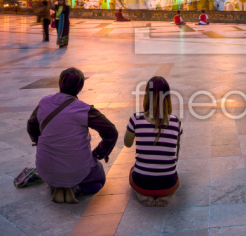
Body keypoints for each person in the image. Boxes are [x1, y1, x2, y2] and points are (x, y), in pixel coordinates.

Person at [26, 67, 118, 204]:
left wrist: (40, 143)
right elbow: (111, 132)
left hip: (45, 169)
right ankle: (75, 188)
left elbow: (31, 125)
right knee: (99, 180)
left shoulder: (44, 102)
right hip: (77, 170)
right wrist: (98, 154)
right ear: (80, 87)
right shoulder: (84, 109)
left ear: (60, 83)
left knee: (58, 171)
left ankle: (56, 185)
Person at [125, 76, 182, 207]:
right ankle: (167, 195)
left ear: (146, 96)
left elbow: (127, 144)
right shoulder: (175, 121)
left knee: (133, 170)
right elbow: (175, 156)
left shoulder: (135, 119)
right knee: (174, 174)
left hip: (142, 182)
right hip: (167, 183)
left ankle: (142, 194)